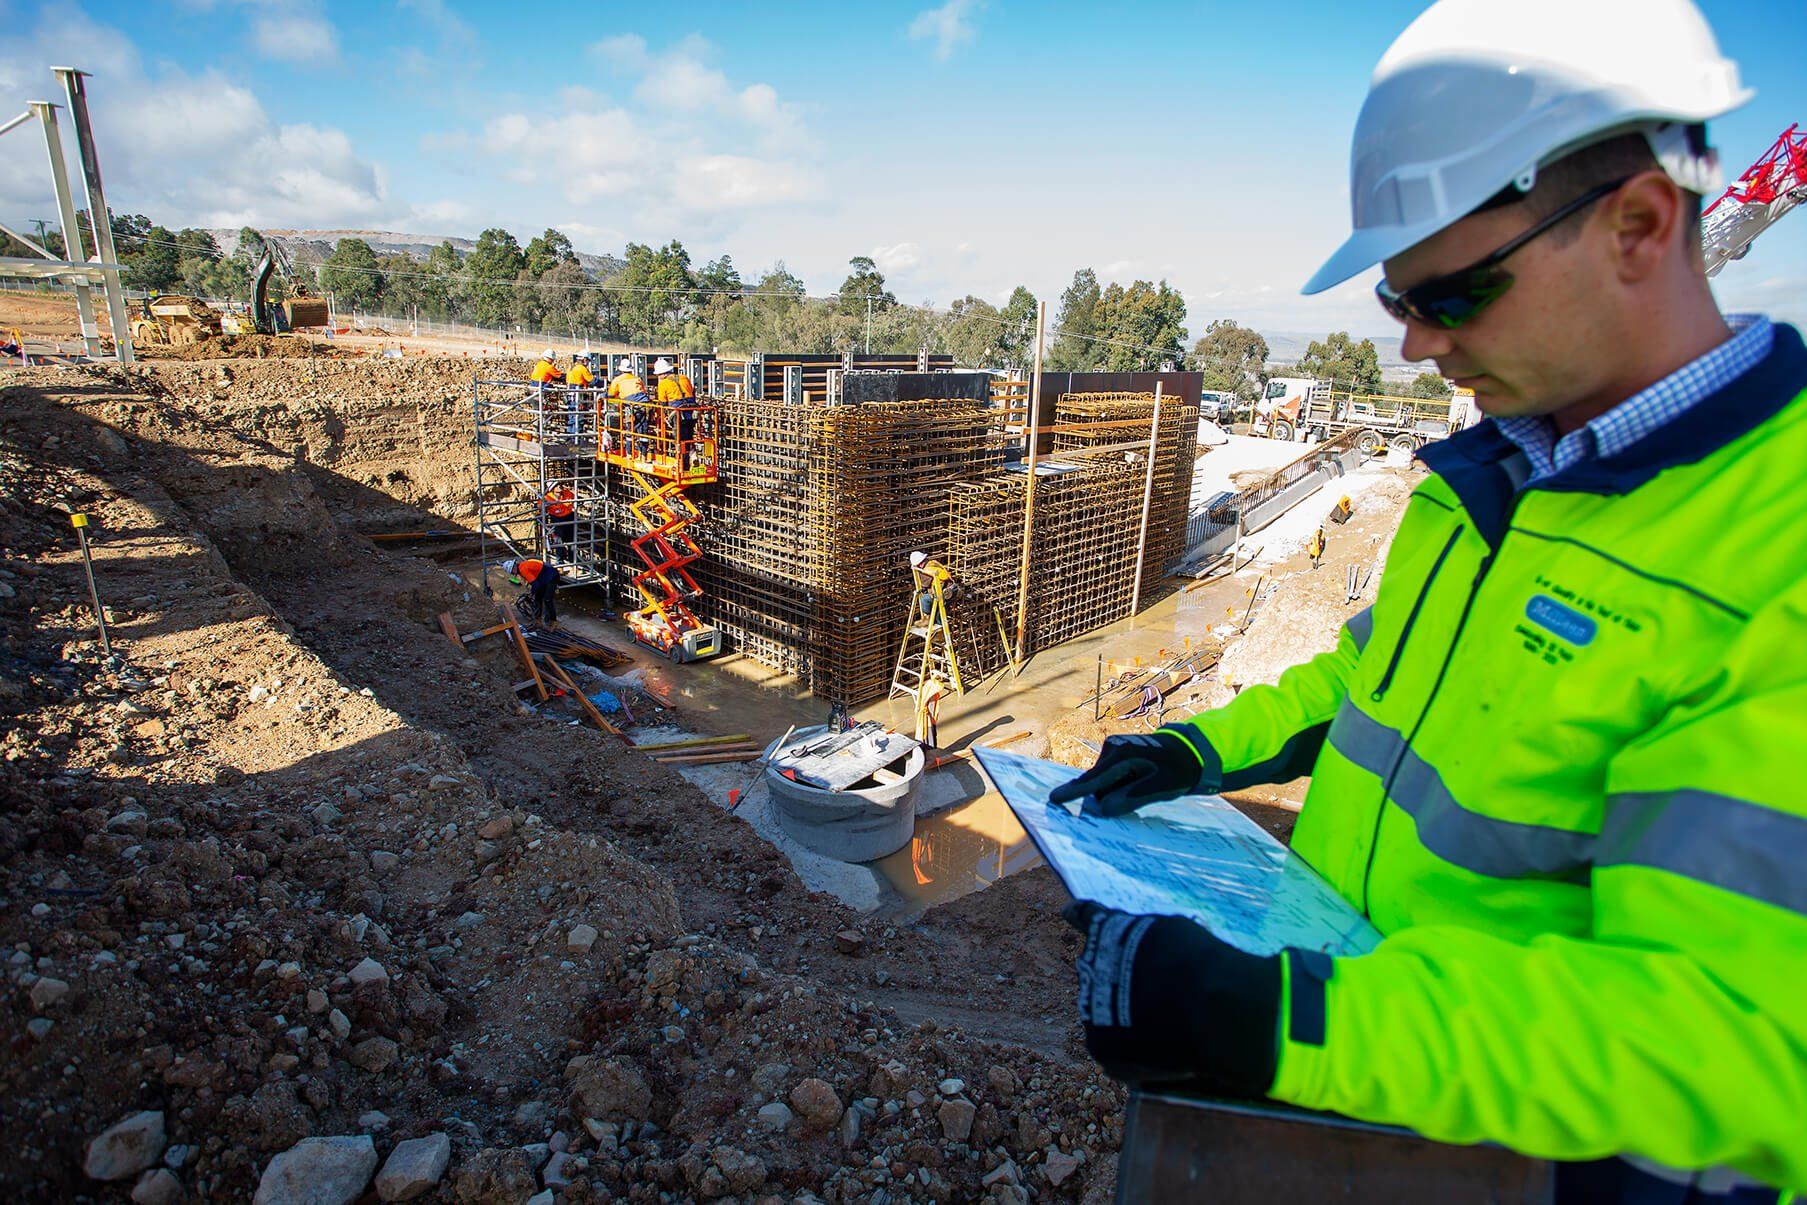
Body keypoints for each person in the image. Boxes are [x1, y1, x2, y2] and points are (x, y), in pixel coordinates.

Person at [1053, 1, 1806, 1199]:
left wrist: (1291, 1023)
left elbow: (1741, 1033)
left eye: (1448, 297)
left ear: (1638, 224)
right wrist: (1191, 749)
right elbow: (1365, 681)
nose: (1412, 349)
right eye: (1396, 303)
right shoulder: (1493, 478)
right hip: (1383, 1101)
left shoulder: (1776, 552)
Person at [653, 357, 698, 457]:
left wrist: (663, 416)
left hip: (677, 411)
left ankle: (682, 459)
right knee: (689, 434)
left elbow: (662, 403)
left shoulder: (663, 384)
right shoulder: (684, 378)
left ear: (663, 373)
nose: (658, 377)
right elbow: (692, 393)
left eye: (658, 375)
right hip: (691, 410)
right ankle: (692, 454)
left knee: (679, 436)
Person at [502, 557, 560, 629]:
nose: (514, 574)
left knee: (547, 599)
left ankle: (553, 622)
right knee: (537, 598)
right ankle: (538, 621)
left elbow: (535, 585)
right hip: (543, 577)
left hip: (552, 576)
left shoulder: (523, 569)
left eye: (512, 572)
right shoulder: (521, 566)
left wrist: (532, 594)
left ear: (513, 568)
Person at [608, 361, 652, 456]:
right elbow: (643, 392)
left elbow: (611, 395)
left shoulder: (617, 380)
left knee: (630, 429)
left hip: (631, 406)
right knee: (643, 430)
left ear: (621, 370)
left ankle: (629, 454)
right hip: (644, 405)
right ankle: (643, 455)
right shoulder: (637, 379)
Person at [563, 353, 595, 437]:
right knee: (578, 417)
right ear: (583, 359)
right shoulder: (582, 368)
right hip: (578, 395)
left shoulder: (572, 367)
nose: (588, 363)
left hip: (570, 394)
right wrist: (605, 383)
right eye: (587, 360)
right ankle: (576, 439)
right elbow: (592, 380)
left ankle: (571, 437)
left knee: (572, 417)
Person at [543, 485, 575, 554]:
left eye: (559, 484)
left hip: (569, 518)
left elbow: (575, 499)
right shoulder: (548, 497)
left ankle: (572, 559)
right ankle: (560, 560)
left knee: (571, 540)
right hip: (556, 519)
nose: (559, 486)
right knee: (558, 541)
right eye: (556, 485)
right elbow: (540, 505)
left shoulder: (567, 493)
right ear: (552, 488)